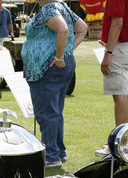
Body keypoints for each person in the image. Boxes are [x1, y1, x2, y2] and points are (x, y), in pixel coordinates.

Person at [21, 0, 87, 168]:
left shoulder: (50, 9)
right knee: (55, 111)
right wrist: (66, 52)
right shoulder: (62, 6)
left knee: (46, 112)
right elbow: (82, 28)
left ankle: (51, 156)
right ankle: (58, 151)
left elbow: (64, 29)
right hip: (56, 68)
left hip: (46, 70)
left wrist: (60, 56)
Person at [100, 0, 128, 128]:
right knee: (127, 91)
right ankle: (126, 137)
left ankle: (120, 139)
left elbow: (117, 23)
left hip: (119, 46)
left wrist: (108, 52)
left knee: (119, 96)